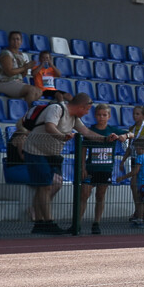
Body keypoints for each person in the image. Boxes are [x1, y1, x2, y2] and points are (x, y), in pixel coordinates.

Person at [21, 93, 114, 234]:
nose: (87, 113)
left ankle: (39, 222)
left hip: (52, 154)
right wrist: (62, 137)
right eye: (87, 110)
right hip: (36, 151)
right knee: (45, 186)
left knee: (48, 185)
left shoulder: (74, 117)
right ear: (81, 107)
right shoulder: (57, 109)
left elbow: (86, 131)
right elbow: (49, 126)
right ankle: (48, 222)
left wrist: (105, 139)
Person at [80, 103, 129, 234]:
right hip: (90, 168)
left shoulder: (113, 130)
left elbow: (131, 134)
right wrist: (82, 167)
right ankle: (77, 223)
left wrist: (125, 136)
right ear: (95, 115)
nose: (101, 117)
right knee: (84, 194)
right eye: (99, 115)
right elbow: (83, 149)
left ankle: (96, 223)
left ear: (109, 116)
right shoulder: (90, 131)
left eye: (104, 115)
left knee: (100, 195)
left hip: (105, 168)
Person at [0, 31, 41, 103]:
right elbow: (9, 72)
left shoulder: (20, 55)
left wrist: (26, 68)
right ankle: (28, 110)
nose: (15, 41)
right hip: (3, 83)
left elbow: (22, 75)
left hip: (16, 83)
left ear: (21, 42)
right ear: (9, 41)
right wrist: (25, 67)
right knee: (32, 90)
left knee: (39, 91)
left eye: (18, 39)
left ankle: (26, 108)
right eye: (13, 39)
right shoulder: (6, 54)